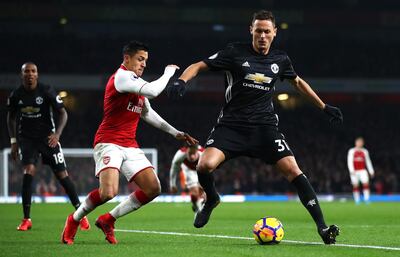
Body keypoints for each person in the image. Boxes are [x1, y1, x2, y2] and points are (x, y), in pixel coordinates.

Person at [167, 10, 343, 244]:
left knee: (294, 170)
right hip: (231, 126)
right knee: (204, 165)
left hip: (264, 128)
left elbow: (298, 83)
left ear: (274, 33)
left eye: (267, 32)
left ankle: (322, 227)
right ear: (251, 30)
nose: (262, 36)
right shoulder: (234, 52)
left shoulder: (280, 59)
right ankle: (211, 199)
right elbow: (199, 65)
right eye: (258, 31)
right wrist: (181, 81)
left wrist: (323, 107)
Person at [61, 40, 198, 245]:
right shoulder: (122, 77)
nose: (143, 64)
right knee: (108, 192)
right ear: (127, 58)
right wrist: (169, 73)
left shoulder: (134, 81)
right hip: (108, 142)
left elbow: (148, 113)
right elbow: (153, 91)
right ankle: (74, 219)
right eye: (140, 59)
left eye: (145, 61)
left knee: (153, 188)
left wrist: (175, 132)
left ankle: (108, 219)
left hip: (129, 144)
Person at [6, 62, 90, 231]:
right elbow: (11, 117)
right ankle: (26, 219)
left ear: (37, 75)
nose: (30, 74)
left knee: (62, 175)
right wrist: (14, 141)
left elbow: (63, 113)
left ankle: (81, 214)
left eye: (33, 71)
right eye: (26, 71)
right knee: (28, 172)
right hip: (27, 140)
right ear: (21, 75)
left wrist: (57, 135)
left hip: (48, 139)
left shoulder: (46, 90)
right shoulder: (16, 95)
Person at [169, 143, 205, 212]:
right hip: (188, 170)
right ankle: (198, 208)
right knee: (194, 192)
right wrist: (172, 184)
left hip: (201, 170)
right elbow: (174, 170)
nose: (192, 156)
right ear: (186, 150)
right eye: (190, 153)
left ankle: (199, 205)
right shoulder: (180, 155)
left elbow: (210, 169)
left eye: (194, 153)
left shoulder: (203, 154)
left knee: (202, 190)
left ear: (197, 151)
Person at [347, 137, 374, 204]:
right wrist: (351, 170)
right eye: (358, 142)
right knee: (355, 185)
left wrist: (371, 171)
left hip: (362, 170)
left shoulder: (365, 151)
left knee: (366, 183)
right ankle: (357, 199)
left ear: (363, 143)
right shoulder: (352, 151)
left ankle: (367, 199)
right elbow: (349, 161)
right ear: (355, 143)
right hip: (354, 171)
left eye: (361, 142)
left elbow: (368, 162)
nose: (359, 143)